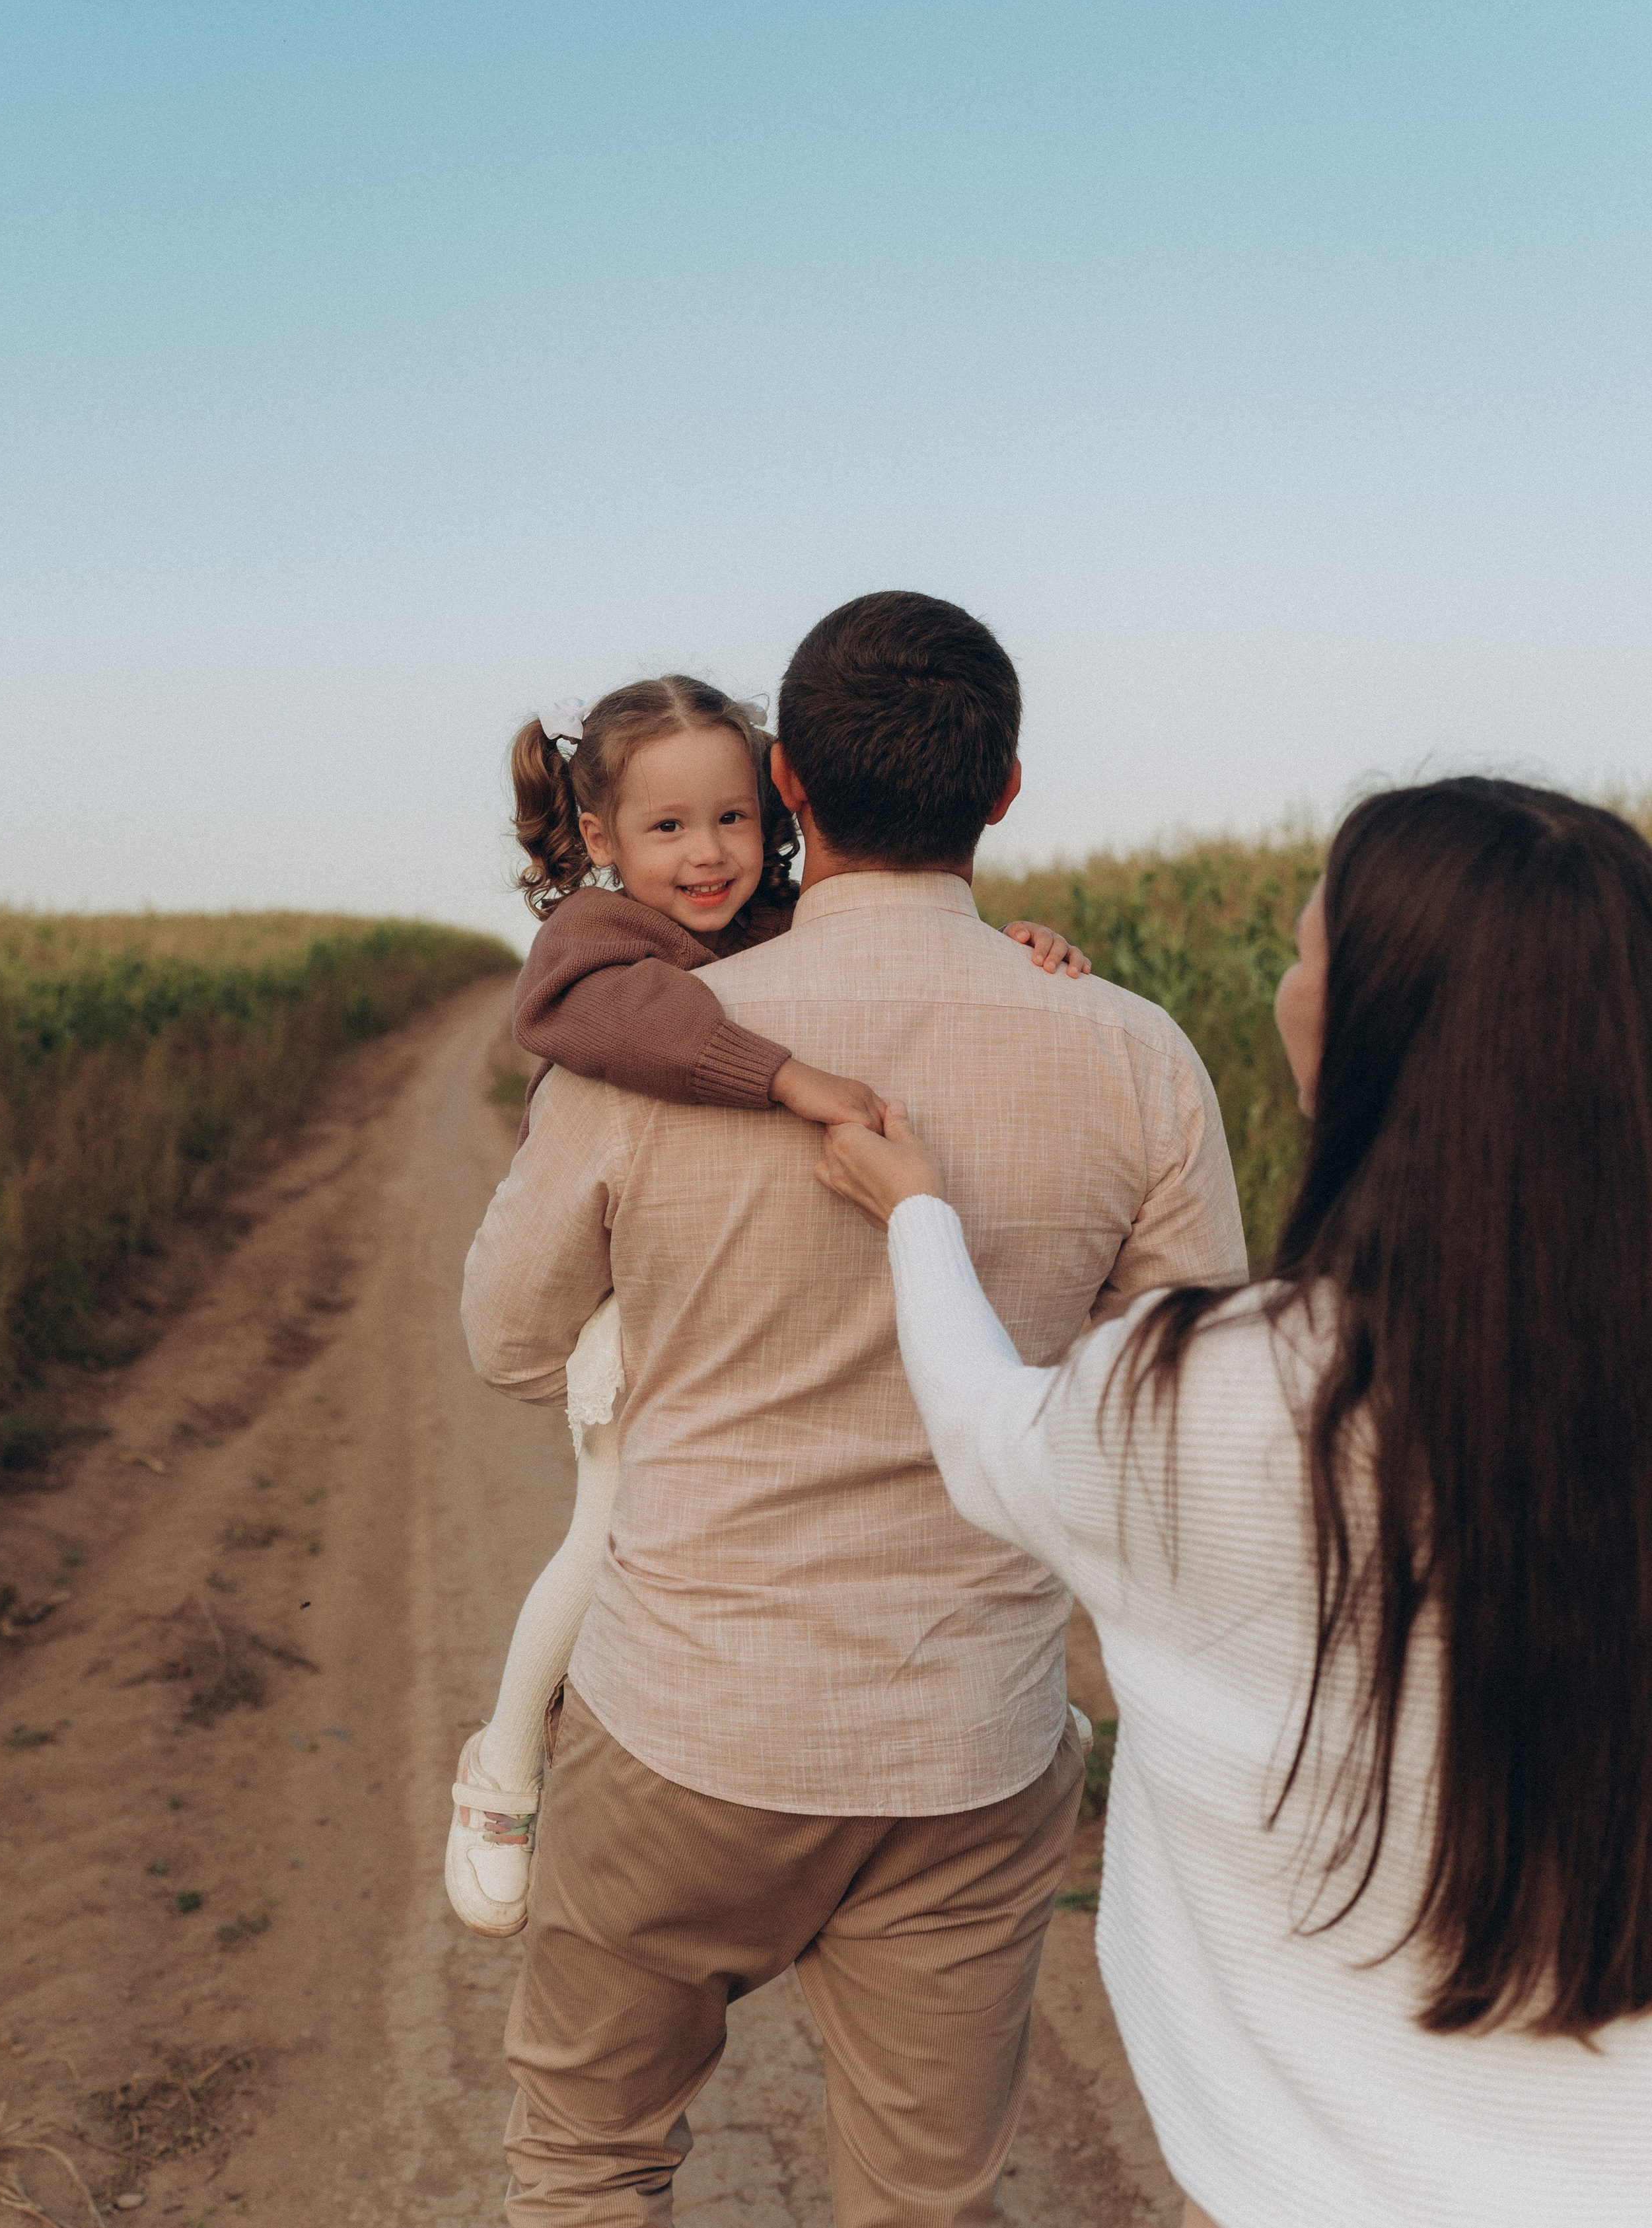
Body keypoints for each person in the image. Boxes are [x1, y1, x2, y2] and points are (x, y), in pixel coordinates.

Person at [460, 591, 1247, 2226]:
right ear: (1007, 788)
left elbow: (506, 1338)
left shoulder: (651, 1045)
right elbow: (1178, 1416)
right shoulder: (1136, 1054)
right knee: (921, 2202)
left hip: (685, 1714)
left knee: (589, 2162)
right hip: (967, 1736)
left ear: (787, 781)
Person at [816, 776, 1652, 2228]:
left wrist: (917, 1217)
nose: (1283, 980)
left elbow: (982, 1431)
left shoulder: (1211, 1394)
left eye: (1303, 950)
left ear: (1364, 1034)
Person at [448, 672, 1090, 1937]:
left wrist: (1026, 953)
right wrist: (786, 1074)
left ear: (779, 808)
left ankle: (1009, 1682)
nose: (707, 856)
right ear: (599, 840)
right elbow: (639, 1025)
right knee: (607, 1528)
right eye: (670, 828)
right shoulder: (597, 944)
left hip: (732, 1273)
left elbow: (897, 960)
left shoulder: (787, 922)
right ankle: (506, 1759)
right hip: (621, 1307)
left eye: (733, 820)